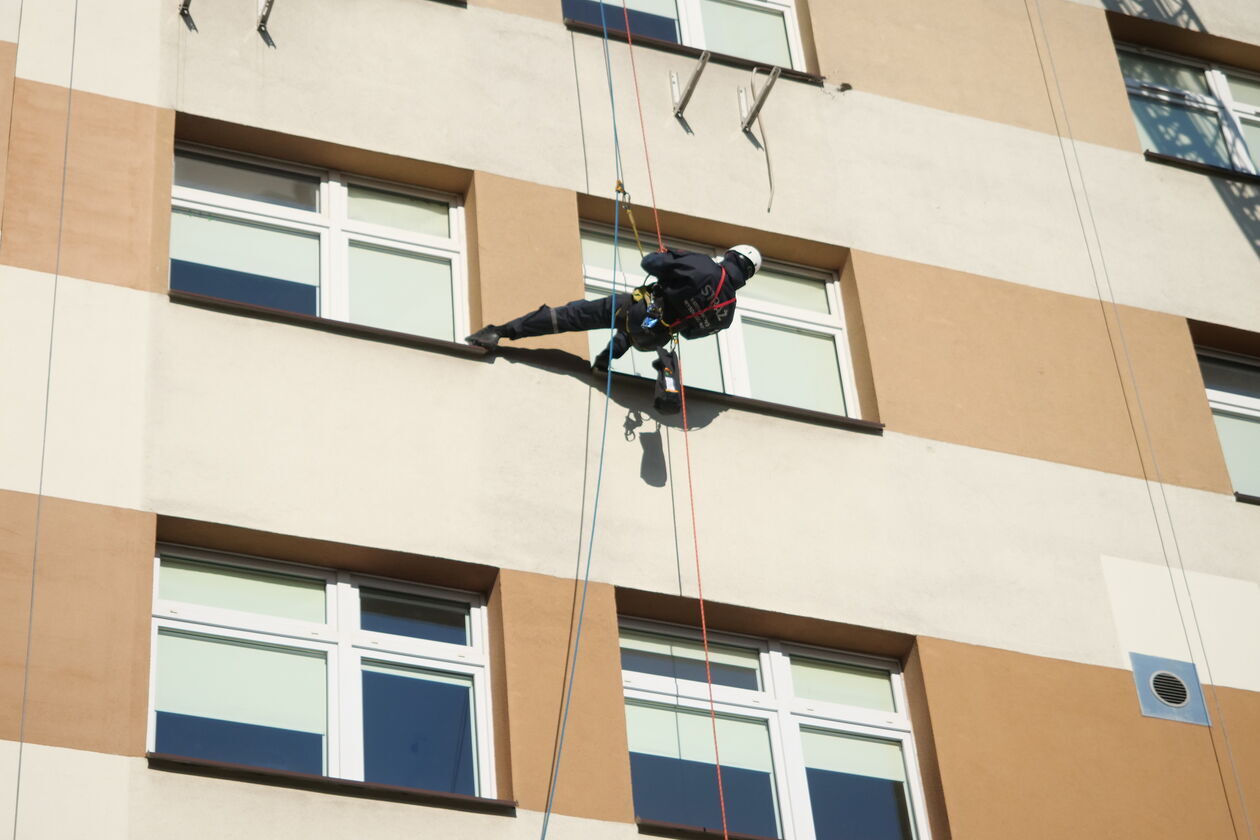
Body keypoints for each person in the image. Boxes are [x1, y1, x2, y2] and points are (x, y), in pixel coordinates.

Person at [464, 244, 761, 373]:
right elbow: (692, 335)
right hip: (653, 334)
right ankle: (606, 359)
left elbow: (650, 264)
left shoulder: (703, 266)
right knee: (632, 333)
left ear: (730, 255)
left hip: (640, 311)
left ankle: (500, 332)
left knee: (573, 316)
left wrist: (665, 259)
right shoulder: (728, 312)